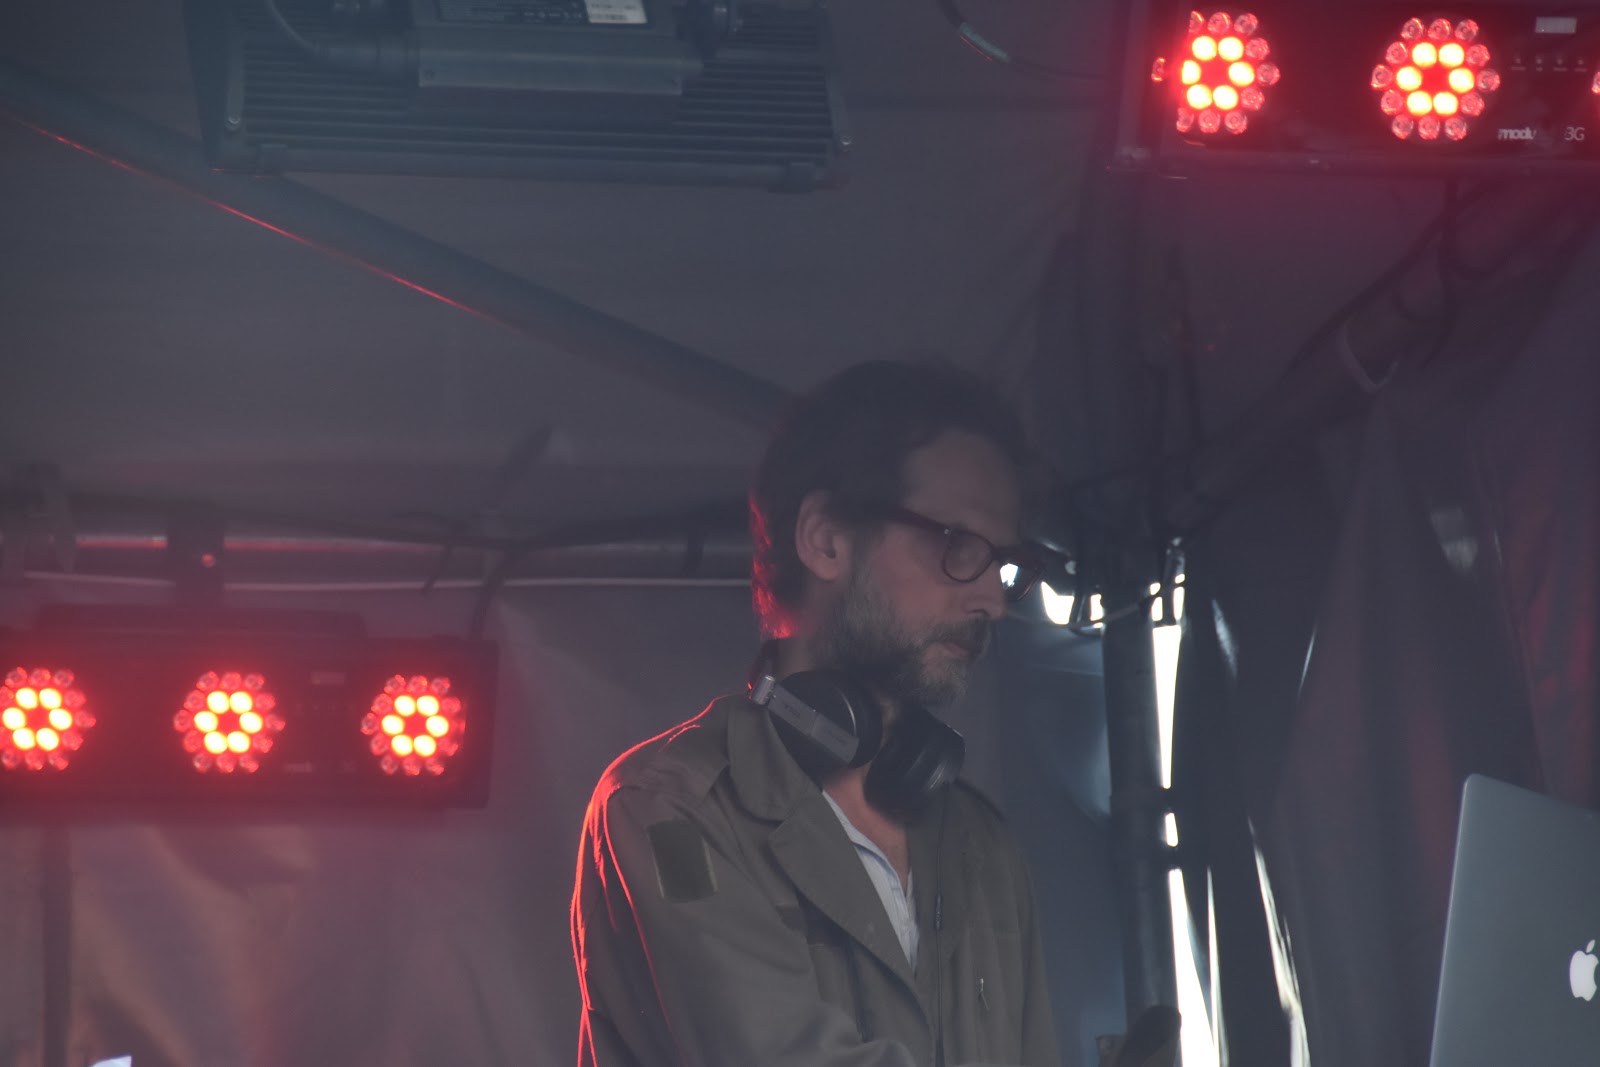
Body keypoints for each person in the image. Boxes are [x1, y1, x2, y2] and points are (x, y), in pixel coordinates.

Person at [570, 360, 1061, 1067]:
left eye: (1005, 567)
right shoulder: (669, 811)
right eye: (958, 546)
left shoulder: (981, 845)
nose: (992, 600)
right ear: (825, 539)